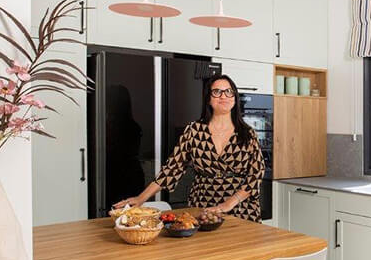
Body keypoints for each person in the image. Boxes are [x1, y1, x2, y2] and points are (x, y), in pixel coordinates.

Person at [111, 74, 266, 222]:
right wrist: (141, 198)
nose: (223, 96)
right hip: (203, 205)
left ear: (234, 98)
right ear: (208, 98)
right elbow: (172, 168)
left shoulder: (248, 133)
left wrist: (228, 204)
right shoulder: (194, 131)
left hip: (241, 207)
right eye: (217, 92)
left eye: (228, 91)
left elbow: (256, 174)